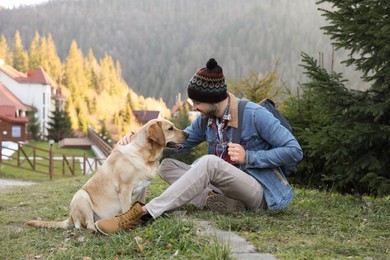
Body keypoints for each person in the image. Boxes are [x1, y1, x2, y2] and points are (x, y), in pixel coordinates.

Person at [94, 58, 303, 235]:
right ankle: (226, 204)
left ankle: (145, 213)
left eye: (197, 103)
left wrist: (249, 156)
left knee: (209, 163)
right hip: (225, 188)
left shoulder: (255, 115)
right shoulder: (206, 120)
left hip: (258, 191)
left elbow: (294, 150)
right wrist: (138, 139)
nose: (194, 107)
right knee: (166, 166)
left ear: (213, 99)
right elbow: (177, 142)